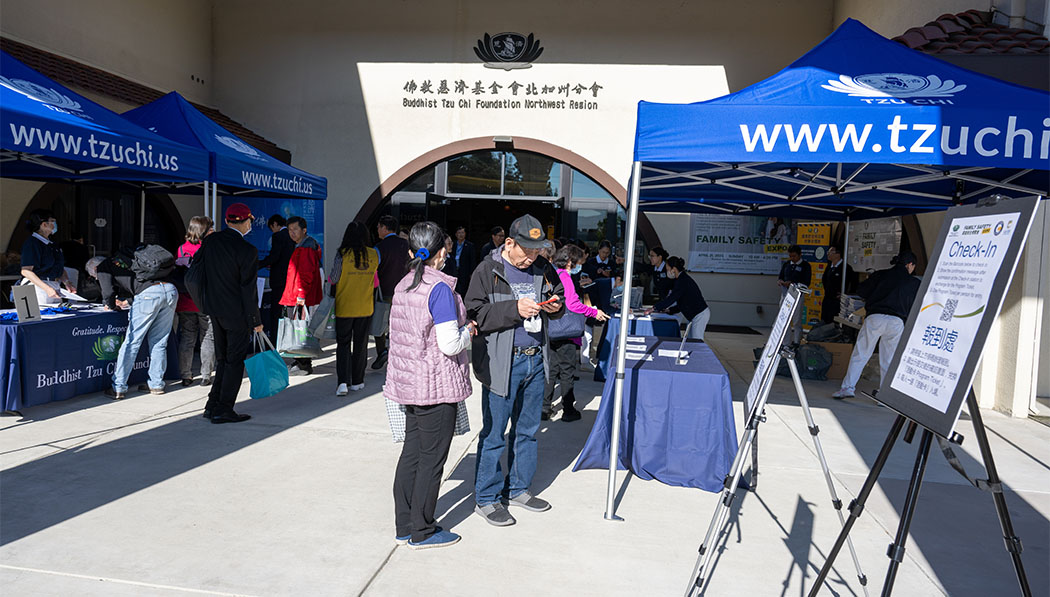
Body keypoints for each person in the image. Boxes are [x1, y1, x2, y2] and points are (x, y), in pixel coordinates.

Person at [466, 214, 564, 527]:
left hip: (536, 360)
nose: (532, 258)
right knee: (495, 433)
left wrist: (555, 305)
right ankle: (487, 497)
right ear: (509, 243)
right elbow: (475, 314)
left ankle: (519, 488)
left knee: (528, 430)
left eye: (537, 252)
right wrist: (513, 310)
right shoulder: (487, 269)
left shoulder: (542, 268)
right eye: (527, 251)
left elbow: (558, 293)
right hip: (502, 361)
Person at [388, 221, 475, 550]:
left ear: (412, 252)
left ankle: (404, 525)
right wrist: (469, 332)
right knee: (431, 460)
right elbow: (450, 344)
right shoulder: (439, 289)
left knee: (411, 454)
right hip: (436, 386)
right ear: (443, 252)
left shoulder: (403, 285)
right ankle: (423, 530)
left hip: (409, 383)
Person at [197, 203, 263, 424]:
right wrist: (256, 320)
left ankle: (212, 404)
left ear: (226, 221)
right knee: (234, 361)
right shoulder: (247, 250)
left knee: (223, 359)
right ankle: (224, 408)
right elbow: (248, 289)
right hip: (237, 314)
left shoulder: (211, 242)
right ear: (246, 222)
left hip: (214, 309)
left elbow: (197, 272)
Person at [833, 251, 921, 400]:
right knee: (889, 359)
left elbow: (862, 291)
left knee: (861, 354)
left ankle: (847, 388)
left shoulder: (880, 275)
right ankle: (885, 395)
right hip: (897, 321)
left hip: (875, 317)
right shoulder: (914, 283)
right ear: (910, 265)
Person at [543, 244, 609, 421]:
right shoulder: (564, 276)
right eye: (579, 262)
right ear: (571, 262)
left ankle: (545, 408)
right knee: (567, 371)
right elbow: (573, 304)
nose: (580, 266)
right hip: (566, 331)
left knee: (551, 370)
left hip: (551, 329)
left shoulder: (552, 273)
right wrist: (594, 312)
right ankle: (568, 410)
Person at [105, 244, 178, 400]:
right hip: (170, 290)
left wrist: (111, 305)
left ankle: (119, 387)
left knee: (132, 342)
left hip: (148, 295)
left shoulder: (104, 267)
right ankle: (156, 384)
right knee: (160, 341)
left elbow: (108, 293)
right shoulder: (141, 261)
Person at [330, 221, 378, 395]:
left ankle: (343, 382)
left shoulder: (342, 254)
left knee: (343, 344)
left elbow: (334, 278)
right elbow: (375, 281)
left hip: (344, 306)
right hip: (365, 306)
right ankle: (358, 381)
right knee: (361, 344)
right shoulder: (374, 255)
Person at [279, 216, 323, 375]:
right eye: (290, 230)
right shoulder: (305, 246)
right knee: (299, 330)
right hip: (299, 296)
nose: (292, 233)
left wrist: (300, 296)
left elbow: (305, 275)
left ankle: (304, 364)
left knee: (300, 330)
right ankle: (300, 361)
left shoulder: (305, 248)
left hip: (300, 298)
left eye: (295, 229)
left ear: (304, 230)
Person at [176, 216, 215, 387]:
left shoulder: (182, 249)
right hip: (204, 300)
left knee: (187, 337)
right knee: (208, 337)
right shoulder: (209, 249)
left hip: (185, 300)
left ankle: (186, 375)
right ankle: (206, 375)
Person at [373, 214, 409, 369]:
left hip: (384, 291)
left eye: (379, 227)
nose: (377, 230)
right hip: (404, 292)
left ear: (384, 228)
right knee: (399, 325)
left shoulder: (379, 248)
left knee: (379, 324)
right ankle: (399, 354)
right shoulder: (406, 245)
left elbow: (374, 270)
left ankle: (382, 351)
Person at [647, 256, 711, 340]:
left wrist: (655, 308)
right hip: (695, 315)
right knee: (690, 340)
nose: (667, 272)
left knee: (697, 341)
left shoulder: (682, 281)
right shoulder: (680, 279)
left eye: (667, 269)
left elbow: (671, 298)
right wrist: (670, 310)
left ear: (674, 269)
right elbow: (683, 302)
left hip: (699, 314)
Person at [19, 209, 74, 305]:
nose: (55, 225)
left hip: (54, 286)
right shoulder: (32, 243)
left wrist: (67, 282)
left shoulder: (52, 244)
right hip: (38, 288)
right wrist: (46, 288)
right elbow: (26, 271)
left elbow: (59, 267)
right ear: (44, 225)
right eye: (52, 221)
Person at [258, 214, 295, 346]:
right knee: (290, 313)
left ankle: (274, 343)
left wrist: (258, 265)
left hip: (279, 280)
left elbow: (275, 256)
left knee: (276, 314)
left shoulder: (278, 236)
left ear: (274, 224)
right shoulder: (292, 235)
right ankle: (289, 341)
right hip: (291, 279)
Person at [777, 245, 811, 345]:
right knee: (784, 320)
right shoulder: (787, 264)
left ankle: (796, 342)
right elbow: (780, 277)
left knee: (796, 321)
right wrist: (781, 282)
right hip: (786, 295)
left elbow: (806, 282)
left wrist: (793, 284)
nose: (792, 258)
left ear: (800, 255)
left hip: (797, 296)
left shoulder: (805, 266)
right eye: (790, 256)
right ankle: (785, 342)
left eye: (794, 256)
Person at [820, 245, 857, 324]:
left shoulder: (846, 268)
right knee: (825, 321)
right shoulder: (829, 266)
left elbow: (854, 283)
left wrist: (846, 295)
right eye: (828, 252)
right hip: (827, 299)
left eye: (830, 252)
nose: (828, 254)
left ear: (838, 254)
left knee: (835, 322)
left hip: (838, 301)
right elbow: (824, 280)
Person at [451, 225, 477, 295]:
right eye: (459, 233)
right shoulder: (452, 244)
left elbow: (473, 260)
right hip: (454, 269)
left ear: (465, 234)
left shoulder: (470, 245)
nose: (461, 235)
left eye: (462, 233)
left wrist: (472, 273)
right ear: (456, 234)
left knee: (463, 289)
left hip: (464, 271)